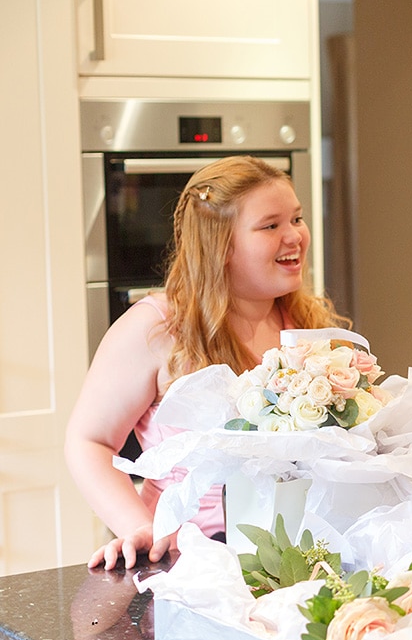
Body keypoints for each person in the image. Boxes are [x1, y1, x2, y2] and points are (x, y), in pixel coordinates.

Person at [66, 156, 349, 571]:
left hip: (300, 559)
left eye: (297, 219)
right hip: (189, 561)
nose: (295, 237)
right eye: (271, 225)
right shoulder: (158, 327)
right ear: (221, 245)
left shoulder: (307, 326)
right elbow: (89, 442)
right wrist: (141, 528)